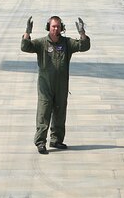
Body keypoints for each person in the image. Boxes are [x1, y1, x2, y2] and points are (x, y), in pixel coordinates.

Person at [21, 15, 90, 154]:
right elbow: (25, 47)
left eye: (58, 26)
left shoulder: (66, 43)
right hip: (45, 86)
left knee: (60, 112)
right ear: (48, 27)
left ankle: (56, 139)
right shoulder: (41, 43)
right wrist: (27, 32)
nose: (55, 29)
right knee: (43, 113)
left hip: (61, 86)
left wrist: (82, 33)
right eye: (53, 26)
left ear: (61, 27)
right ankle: (40, 142)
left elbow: (84, 46)